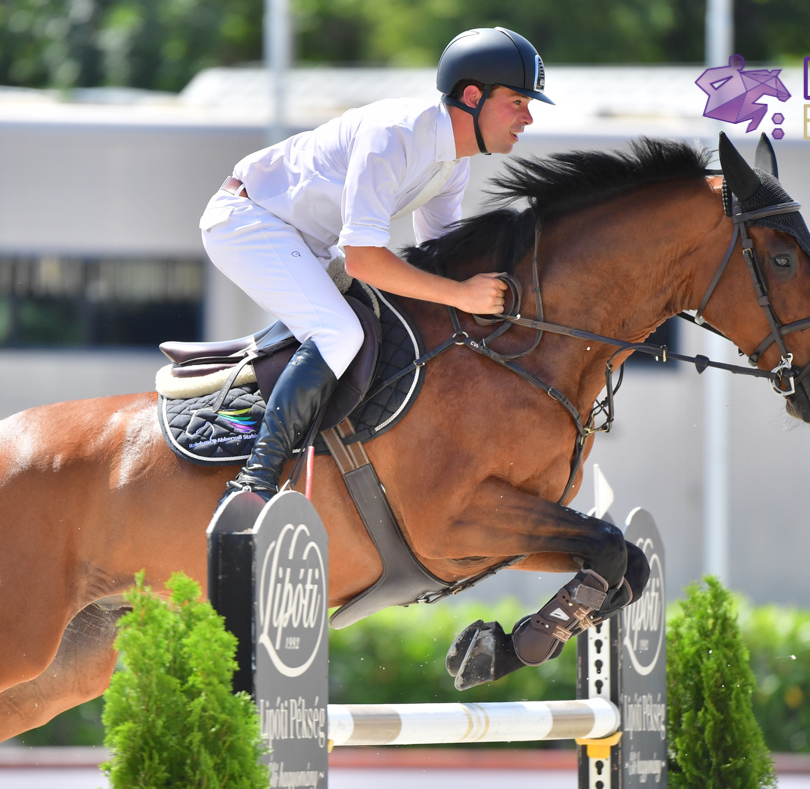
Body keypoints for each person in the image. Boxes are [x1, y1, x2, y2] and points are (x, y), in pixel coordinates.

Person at [199, 27, 553, 507]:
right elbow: (365, 260)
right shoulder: (395, 135)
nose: (528, 117)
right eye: (517, 101)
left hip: (304, 240)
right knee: (340, 332)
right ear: (473, 96)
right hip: (247, 222)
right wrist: (463, 295)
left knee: (383, 322)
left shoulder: (454, 163)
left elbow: (439, 258)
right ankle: (253, 481)